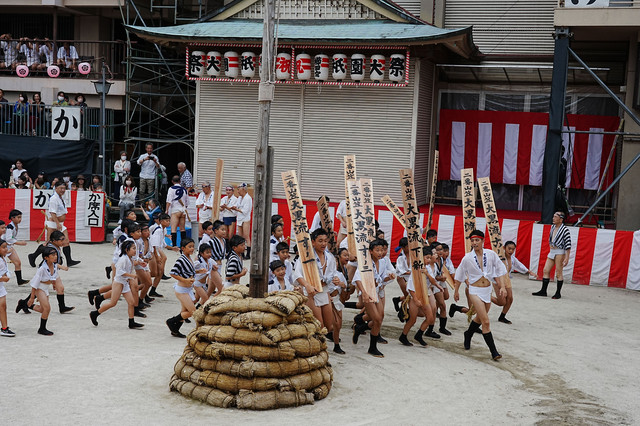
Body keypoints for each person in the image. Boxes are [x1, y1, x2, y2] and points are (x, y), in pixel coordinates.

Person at [454, 230, 507, 360]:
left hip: (487, 290)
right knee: (486, 321)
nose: (474, 243)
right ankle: (494, 352)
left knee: (479, 318)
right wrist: (456, 291)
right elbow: (460, 274)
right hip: (474, 290)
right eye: (472, 240)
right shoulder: (467, 258)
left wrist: (502, 286)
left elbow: (500, 269)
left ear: (483, 241)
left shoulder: (490, 254)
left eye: (477, 240)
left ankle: (468, 334)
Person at [89, 240, 145, 329]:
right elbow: (119, 272)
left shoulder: (130, 258)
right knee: (112, 303)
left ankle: (131, 322)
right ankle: (95, 314)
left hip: (124, 283)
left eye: (135, 248)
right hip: (118, 283)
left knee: (131, 303)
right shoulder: (123, 259)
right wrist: (131, 276)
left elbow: (132, 264)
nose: (135, 250)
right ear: (127, 250)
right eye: (133, 248)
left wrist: (140, 263)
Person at [292, 228, 335, 342]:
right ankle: (318, 346)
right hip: (311, 292)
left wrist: (333, 283)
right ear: (313, 242)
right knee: (319, 326)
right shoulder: (305, 256)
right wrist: (307, 285)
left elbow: (332, 274)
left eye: (325, 241)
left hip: (324, 291)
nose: (323, 244)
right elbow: (297, 274)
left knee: (329, 326)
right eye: (320, 241)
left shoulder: (330, 257)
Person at [18, 230, 74, 315]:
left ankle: (62, 307)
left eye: (64, 239)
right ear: (54, 240)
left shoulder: (56, 246)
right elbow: (46, 255)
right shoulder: (51, 249)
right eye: (61, 239)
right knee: (39, 290)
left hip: (53, 270)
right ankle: (25, 303)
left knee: (60, 288)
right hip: (46, 271)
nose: (64, 241)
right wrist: (61, 266)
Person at [533, 211, 571, 300]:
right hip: (552, 250)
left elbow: (568, 245)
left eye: (555, 217)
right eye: (553, 216)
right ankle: (543, 291)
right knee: (546, 270)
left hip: (560, 252)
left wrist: (567, 257)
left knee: (558, 273)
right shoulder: (553, 227)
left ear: (561, 219)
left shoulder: (565, 230)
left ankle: (558, 293)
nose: (553, 218)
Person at [165, 238, 197, 338]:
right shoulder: (181, 259)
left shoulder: (189, 258)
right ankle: (171, 321)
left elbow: (189, 271)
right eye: (190, 247)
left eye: (193, 246)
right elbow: (173, 273)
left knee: (184, 312)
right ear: (183, 248)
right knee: (193, 312)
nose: (192, 249)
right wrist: (184, 280)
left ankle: (175, 330)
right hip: (182, 290)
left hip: (187, 289)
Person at [500, 241, 537, 324]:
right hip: (498, 280)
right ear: (504, 248)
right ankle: (487, 297)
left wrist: (529, 272)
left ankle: (502, 317)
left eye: (513, 249)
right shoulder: (500, 257)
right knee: (501, 302)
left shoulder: (512, 259)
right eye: (509, 248)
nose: (511, 251)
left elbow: (520, 265)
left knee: (510, 299)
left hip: (507, 280)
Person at [46, 180, 80, 266]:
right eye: (61, 188)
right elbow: (52, 212)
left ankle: (69, 261)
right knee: (50, 242)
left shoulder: (60, 197)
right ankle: (34, 256)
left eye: (64, 188)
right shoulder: (54, 199)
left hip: (60, 223)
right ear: (56, 188)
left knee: (66, 241)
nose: (63, 190)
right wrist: (57, 223)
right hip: (53, 223)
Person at [27, 247, 59, 335]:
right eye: (53, 255)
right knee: (47, 308)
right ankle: (42, 329)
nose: (55, 257)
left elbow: (53, 276)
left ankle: (24, 304)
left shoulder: (54, 265)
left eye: (56, 254)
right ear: (46, 258)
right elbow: (34, 284)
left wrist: (54, 284)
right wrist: (32, 297)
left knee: (42, 309)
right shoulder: (42, 269)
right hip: (39, 288)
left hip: (46, 288)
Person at [2, 210, 29, 284]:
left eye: (20, 217)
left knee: (17, 263)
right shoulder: (10, 227)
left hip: (8, 246)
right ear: (12, 218)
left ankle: (19, 280)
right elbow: (8, 239)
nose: (20, 219)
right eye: (18, 217)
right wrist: (19, 243)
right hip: (3, 247)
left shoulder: (15, 226)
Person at [166, 175, 189, 247]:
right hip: (183, 210)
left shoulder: (171, 189)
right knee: (182, 229)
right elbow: (187, 202)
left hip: (175, 210)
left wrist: (167, 210)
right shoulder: (184, 190)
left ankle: (174, 245)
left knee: (173, 229)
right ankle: (183, 245)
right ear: (180, 181)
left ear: (172, 181)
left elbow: (169, 200)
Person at [233, 183, 253, 260]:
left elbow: (245, 211)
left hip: (245, 218)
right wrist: (234, 208)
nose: (238, 191)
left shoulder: (248, 198)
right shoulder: (239, 198)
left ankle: (248, 254)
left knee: (246, 236)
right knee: (240, 237)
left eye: (239, 189)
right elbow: (237, 206)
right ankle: (241, 253)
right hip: (240, 218)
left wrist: (237, 209)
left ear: (243, 189)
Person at [0, 239, 15, 337]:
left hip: (0, 286)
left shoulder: (3, 258)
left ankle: (4, 328)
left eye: (6, 247)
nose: (6, 249)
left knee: (3, 307)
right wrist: (2, 278)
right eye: (3, 247)